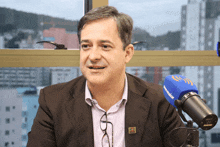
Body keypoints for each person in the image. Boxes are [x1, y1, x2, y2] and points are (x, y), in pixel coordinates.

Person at [27, 6, 185, 147]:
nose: (93, 56)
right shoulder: (53, 101)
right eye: (86, 46)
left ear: (127, 53)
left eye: (105, 46)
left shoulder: (160, 101)